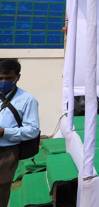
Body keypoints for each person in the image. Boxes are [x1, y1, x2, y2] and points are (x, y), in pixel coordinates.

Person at [0, 60, 39, 206]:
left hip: (7, 153)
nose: (3, 81)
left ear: (17, 77)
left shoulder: (28, 100)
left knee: (2, 192)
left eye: (8, 78)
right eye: (0, 78)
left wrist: (5, 132)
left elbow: (33, 130)